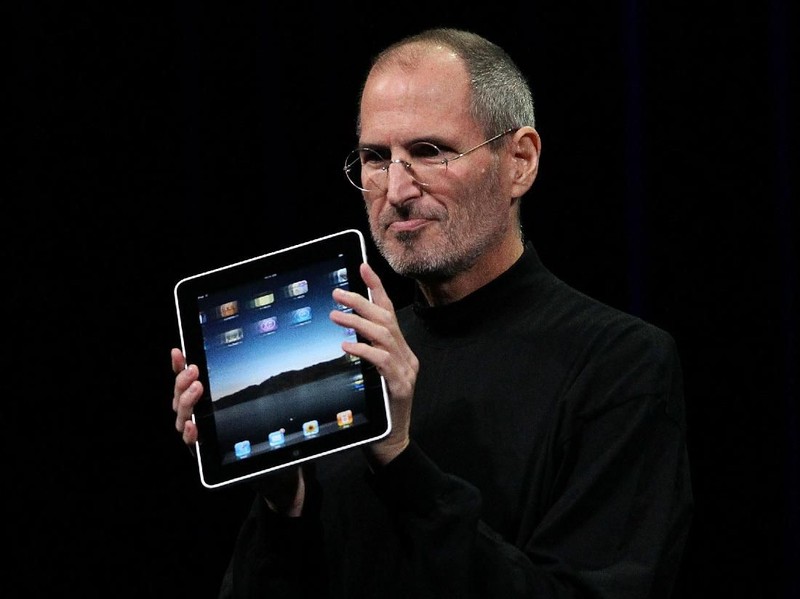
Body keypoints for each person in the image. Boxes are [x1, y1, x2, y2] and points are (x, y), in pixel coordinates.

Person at [171, 27, 692, 598]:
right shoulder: (351, 353)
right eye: (375, 158)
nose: (396, 189)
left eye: (428, 152)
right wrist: (285, 502)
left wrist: (398, 457)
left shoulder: (619, 364)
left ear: (519, 161)